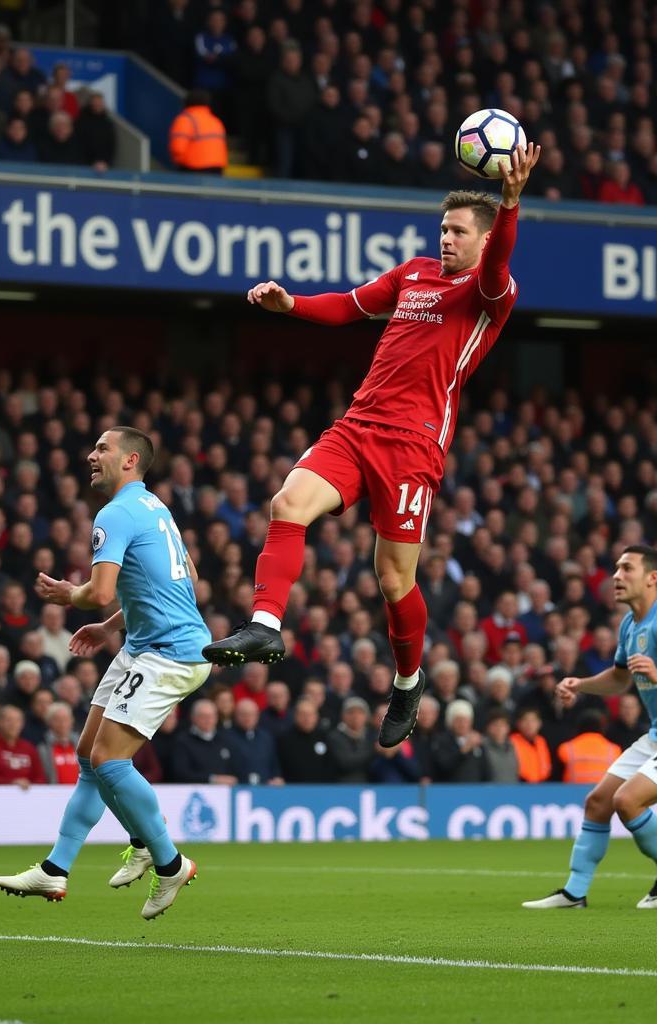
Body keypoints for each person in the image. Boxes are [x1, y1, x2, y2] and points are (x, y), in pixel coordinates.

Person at [203, 144, 541, 759]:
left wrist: (511, 204)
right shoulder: (412, 273)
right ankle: (265, 626)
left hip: (413, 447)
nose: (446, 238)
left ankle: (408, 684)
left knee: (392, 580)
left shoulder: (491, 292)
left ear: (485, 239)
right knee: (288, 503)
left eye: (459, 231)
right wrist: (292, 305)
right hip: (359, 425)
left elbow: (495, 270)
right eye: (443, 228)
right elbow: (352, 305)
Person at [0, 427, 211, 920]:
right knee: (90, 757)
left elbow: (96, 589)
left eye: (102, 449)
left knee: (111, 762)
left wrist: (67, 595)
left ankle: (168, 861)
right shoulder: (156, 508)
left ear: (131, 460)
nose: (91, 455)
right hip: (141, 646)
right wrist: (113, 625)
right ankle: (56, 868)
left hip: (170, 654)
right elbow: (188, 579)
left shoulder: (114, 513)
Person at [523, 545, 657, 911]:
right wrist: (580, 684)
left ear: (653, 578)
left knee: (626, 800)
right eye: (616, 568)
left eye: (626, 568)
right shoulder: (630, 624)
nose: (615, 576)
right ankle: (574, 893)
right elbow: (619, 680)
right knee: (598, 802)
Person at [168, 89, 228, 173]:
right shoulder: (216, 121)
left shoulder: (185, 119)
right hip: (217, 168)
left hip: (194, 169)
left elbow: (177, 148)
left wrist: (180, 162)